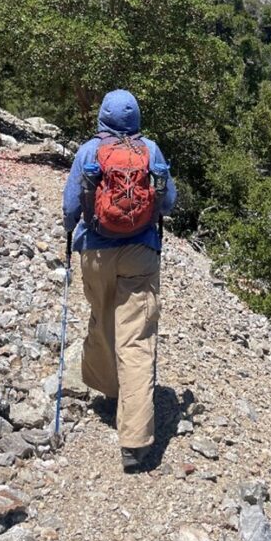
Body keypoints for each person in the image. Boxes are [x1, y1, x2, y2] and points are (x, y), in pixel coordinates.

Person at [62, 88, 177, 473]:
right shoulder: (152, 151)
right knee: (137, 339)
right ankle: (135, 441)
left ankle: (111, 392)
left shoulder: (88, 152)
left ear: (103, 118)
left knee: (103, 320)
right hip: (141, 252)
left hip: (96, 249)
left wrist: (70, 236)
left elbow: (70, 206)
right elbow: (170, 202)